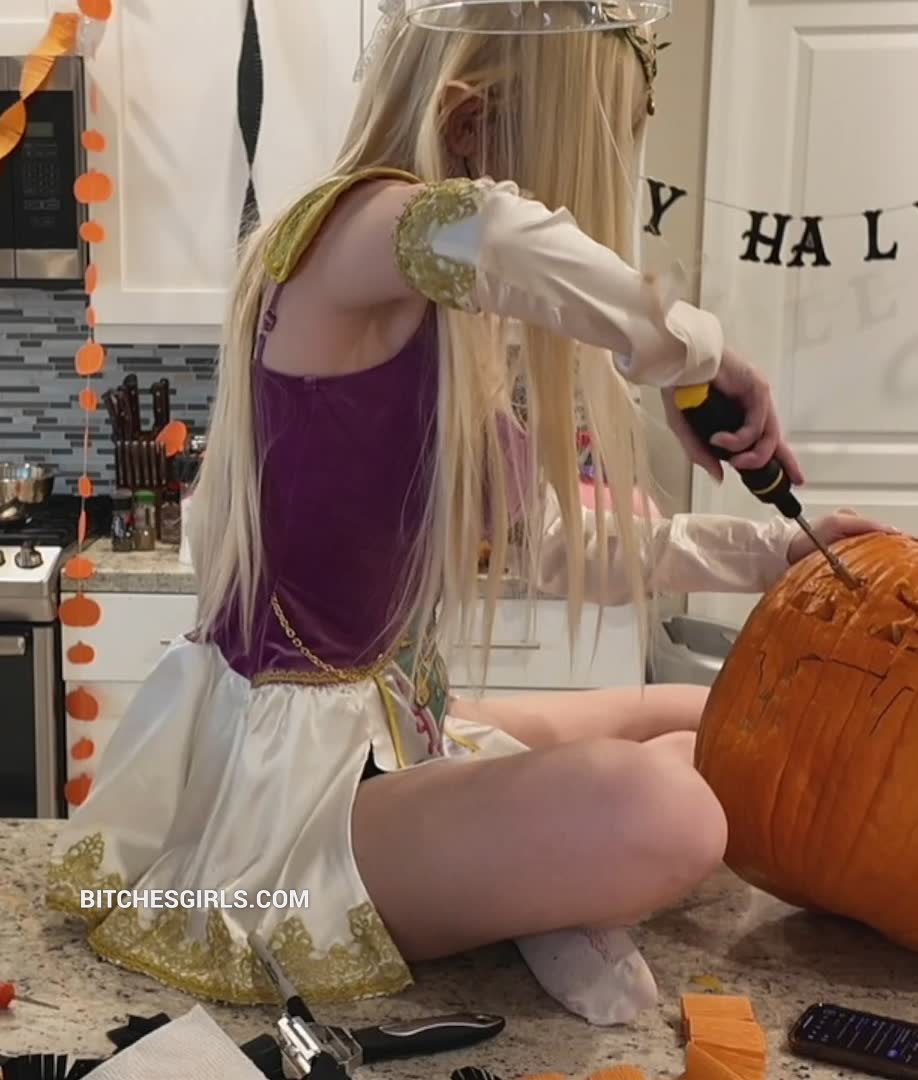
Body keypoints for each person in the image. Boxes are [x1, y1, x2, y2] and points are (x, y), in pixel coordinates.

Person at [47, 3, 893, 1026]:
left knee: (688, 715)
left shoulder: (445, 333)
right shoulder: (348, 232)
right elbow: (491, 233)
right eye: (552, 177)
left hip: (395, 730)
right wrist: (696, 359)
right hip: (295, 798)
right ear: (465, 122)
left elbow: (553, 546)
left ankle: (529, 881)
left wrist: (775, 552)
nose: (566, 212)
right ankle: (537, 885)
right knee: (674, 806)